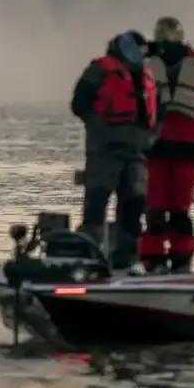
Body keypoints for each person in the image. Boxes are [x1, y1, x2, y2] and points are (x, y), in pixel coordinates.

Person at [141, 17, 194, 274]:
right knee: (155, 214)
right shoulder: (144, 68)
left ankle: (180, 264)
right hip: (157, 154)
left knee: (178, 214)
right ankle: (154, 263)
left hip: (183, 153)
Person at [70, 30, 156, 269]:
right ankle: (89, 256)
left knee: (133, 206)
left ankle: (127, 258)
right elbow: (79, 103)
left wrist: (150, 140)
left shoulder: (145, 76)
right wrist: (99, 126)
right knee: (96, 204)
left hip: (137, 153)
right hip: (104, 151)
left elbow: (157, 113)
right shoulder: (100, 69)